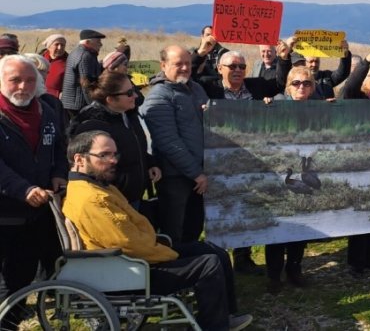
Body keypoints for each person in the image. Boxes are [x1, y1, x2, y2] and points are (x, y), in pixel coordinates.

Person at [62, 130, 252, 331]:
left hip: (135, 259)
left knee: (213, 251)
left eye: (115, 154)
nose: (113, 160)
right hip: (130, 271)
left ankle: (225, 317)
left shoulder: (97, 187)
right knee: (208, 263)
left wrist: (162, 247)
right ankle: (213, 327)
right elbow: (127, 244)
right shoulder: (91, 198)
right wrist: (169, 254)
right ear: (79, 159)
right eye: (104, 155)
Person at [193, 50, 282, 275]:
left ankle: (243, 257)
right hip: (219, 160)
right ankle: (218, 259)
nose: (238, 71)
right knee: (221, 208)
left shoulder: (257, 86)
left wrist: (269, 103)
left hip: (250, 159)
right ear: (220, 68)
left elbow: (282, 83)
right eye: (232, 66)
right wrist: (201, 51)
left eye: (242, 66)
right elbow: (188, 75)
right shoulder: (208, 88)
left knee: (246, 205)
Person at [0, 56, 66, 303]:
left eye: (30, 80)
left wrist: (59, 173)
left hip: (37, 213)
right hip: (6, 213)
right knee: (5, 281)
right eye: (14, 80)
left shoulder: (45, 111)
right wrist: (24, 189)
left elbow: (59, 146)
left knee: (22, 279)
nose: (23, 87)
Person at [140, 45, 209, 244]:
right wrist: (196, 173)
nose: (185, 68)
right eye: (178, 64)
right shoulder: (158, 97)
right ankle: (176, 270)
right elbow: (169, 142)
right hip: (176, 177)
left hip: (199, 175)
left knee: (194, 227)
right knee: (174, 230)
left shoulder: (195, 88)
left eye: (187, 63)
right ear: (163, 65)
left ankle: (195, 268)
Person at [263, 66, 322, 291]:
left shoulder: (317, 109)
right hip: (279, 170)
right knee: (278, 223)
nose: (301, 87)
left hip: (304, 170)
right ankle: (273, 275)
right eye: (296, 83)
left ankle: (295, 269)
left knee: (302, 224)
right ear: (288, 86)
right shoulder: (275, 105)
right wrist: (265, 107)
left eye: (306, 83)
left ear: (312, 87)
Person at [68, 70, 161, 206]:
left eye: (134, 89)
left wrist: (150, 163)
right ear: (110, 99)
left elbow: (134, 147)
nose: (135, 95)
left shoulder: (127, 114)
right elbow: (91, 168)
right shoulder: (92, 125)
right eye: (129, 93)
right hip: (112, 201)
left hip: (133, 197)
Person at [340, 42, 370, 275]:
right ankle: (356, 262)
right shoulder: (352, 98)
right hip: (358, 165)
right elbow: (350, 84)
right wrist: (369, 58)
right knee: (360, 215)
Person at [61, 29, 105, 117]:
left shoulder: (76, 52)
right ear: (88, 42)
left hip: (71, 103)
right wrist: (93, 105)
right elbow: (86, 83)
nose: (101, 44)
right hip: (79, 104)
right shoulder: (85, 56)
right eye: (98, 41)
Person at [41, 33, 67, 98]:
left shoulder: (68, 62)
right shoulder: (39, 59)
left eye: (62, 45)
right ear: (49, 46)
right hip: (38, 97)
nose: (60, 48)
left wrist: (60, 95)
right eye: (57, 44)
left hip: (56, 100)